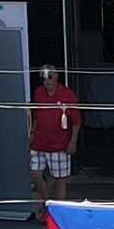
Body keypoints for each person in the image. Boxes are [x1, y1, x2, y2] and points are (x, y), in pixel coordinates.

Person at [28, 63, 82, 196]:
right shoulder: (38, 93)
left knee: (60, 179)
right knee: (35, 173)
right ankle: (47, 202)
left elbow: (76, 121)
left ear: (56, 76)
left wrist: (73, 142)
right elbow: (36, 115)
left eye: (50, 77)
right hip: (39, 142)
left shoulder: (67, 95)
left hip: (59, 144)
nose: (47, 81)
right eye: (44, 78)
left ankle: (58, 209)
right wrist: (32, 133)